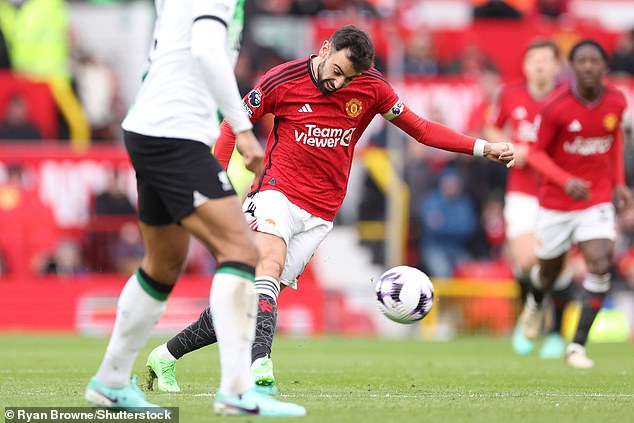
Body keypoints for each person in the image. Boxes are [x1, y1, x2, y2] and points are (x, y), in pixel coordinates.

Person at [145, 24, 515, 394]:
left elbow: (419, 129)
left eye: (348, 78)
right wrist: (213, 190)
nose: (338, 84)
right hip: (275, 192)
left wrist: (483, 147)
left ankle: (165, 356)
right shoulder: (282, 79)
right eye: (336, 71)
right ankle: (260, 368)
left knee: (248, 302)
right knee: (268, 267)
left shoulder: (372, 88)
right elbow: (231, 127)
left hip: (321, 213)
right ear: (324, 49)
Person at [84, 0, 306, 417]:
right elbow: (206, 48)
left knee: (164, 263)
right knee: (242, 251)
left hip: (151, 128)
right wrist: (243, 129)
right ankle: (237, 390)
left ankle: (111, 382)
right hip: (175, 134)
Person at [519, 39, 634, 368]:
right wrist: (564, 180)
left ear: (604, 67)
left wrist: (619, 183)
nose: (587, 66)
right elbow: (536, 153)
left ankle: (578, 346)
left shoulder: (616, 101)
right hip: (556, 203)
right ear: (571, 67)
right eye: (581, 60)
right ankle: (535, 301)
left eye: (593, 61)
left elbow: (613, 141)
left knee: (600, 263)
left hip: (595, 199)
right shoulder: (556, 106)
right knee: (549, 272)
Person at [485, 40, 575, 359]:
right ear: (524, 66)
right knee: (527, 261)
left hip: (556, 192)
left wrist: (536, 156)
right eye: (532, 59)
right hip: (522, 191)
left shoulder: (568, 99)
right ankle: (531, 311)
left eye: (545, 60)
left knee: (560, 267)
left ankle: (555, 333)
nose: (538, 65)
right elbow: (491, 127)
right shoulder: (510, 93)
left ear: (556, 66)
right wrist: (508, 146)